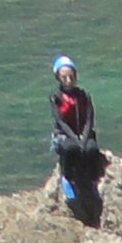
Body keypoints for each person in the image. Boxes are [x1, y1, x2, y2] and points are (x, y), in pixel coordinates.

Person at [50, 55, 104, 222]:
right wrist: (75, 138)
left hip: (83, 133)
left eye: (71, 76)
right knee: (70, 149)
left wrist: (84, 137)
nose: (68, 80)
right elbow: (60, 121)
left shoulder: (83, 96)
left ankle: (92, 180)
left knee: (91, 150)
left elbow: (89, 119)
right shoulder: (56, 97)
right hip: (65, 135)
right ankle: (67, 178)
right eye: (64, 77)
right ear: (58, 78)